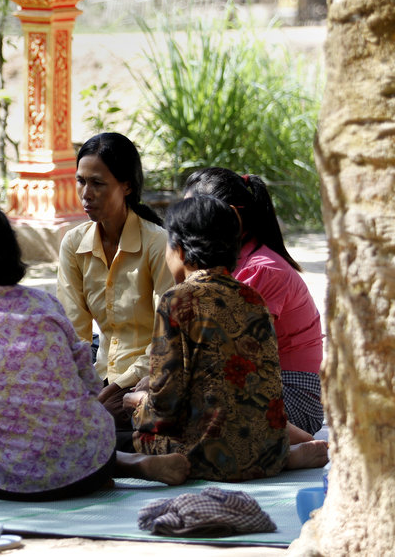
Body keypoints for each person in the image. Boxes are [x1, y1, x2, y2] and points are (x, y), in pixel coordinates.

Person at [0, 200, 190, 501]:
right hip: (92, 464)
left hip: (12, 481)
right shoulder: (42, 301)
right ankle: (130, 463)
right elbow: (87, 380)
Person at [131, 196, 328, 481]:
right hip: (263, 450)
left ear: (180, 250)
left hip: (207, 455)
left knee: (136, 436)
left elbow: (166, 406)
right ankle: (282, 456)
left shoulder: (176, 301)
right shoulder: (253, 298)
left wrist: (138, 404)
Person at [183, 167, 325, 439]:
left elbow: (232, 354)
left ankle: (292, 445)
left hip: (292, 399)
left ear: (232, 216)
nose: (183, 225)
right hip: (258, 389)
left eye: (194, 215)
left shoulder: (261, 270)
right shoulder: (235, 264)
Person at [57, 133, 174, 428]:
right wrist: (81, 386)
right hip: (101, 378)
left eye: (97, 183)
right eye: (81, 181)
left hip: (153, 375)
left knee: (96, 425)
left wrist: (124, 383)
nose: (86, 193)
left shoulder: (157, 243)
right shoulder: (73, 243)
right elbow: (74, 333)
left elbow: (169, 334)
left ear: (127, 186)